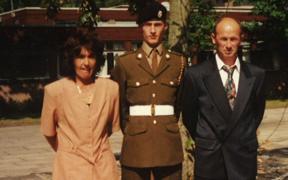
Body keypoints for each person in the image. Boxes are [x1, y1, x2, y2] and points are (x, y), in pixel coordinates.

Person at [181, 16, 266, 180]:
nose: (228, 45)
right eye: (223, 39)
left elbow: (256, 114)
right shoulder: (195, 75)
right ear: (213, 39)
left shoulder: (256, 75)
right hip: (211, 159)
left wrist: (241, 136)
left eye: (233, 39)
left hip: (243, 158)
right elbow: (190, 117)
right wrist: (207, 139)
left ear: (241, 39)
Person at [111, 1, 186, 179]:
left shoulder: (179, 62)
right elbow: (121, 106)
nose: (153, 30)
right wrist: (132, 129)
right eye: (148, 25)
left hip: (168, 145)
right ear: (141, 27)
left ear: (165, 27)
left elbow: (179, 103)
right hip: (136, 144)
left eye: (158, 25)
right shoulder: (125, 63)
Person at [40, 30, 120, 180]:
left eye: (91, 56)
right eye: (80, 57)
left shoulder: (111, 89)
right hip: (70, 169)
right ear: (71, 59)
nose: (86, 63)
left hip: (103, 168)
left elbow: (110, 128)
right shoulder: (55, 91)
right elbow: (49, 133)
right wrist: (69, 152)